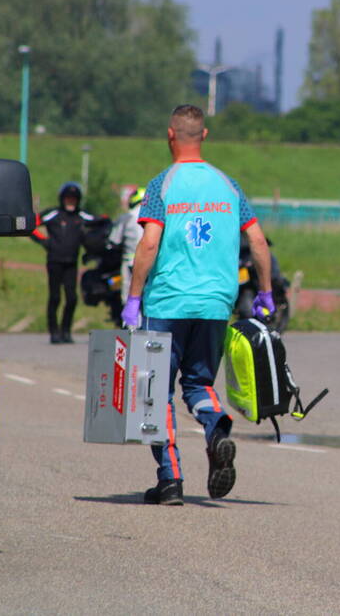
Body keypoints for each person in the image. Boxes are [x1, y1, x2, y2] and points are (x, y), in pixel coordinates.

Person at [122, 104, 274, 506]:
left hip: (168, 303)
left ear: (170, 135)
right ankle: (215, 431)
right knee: (199, 383)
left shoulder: (161, 186)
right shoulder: (229, 186)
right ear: (204, 136)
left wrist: (133, 299)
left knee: (157, 393)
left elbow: (149, 243)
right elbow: (258, 242)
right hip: (214, 305)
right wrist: (265, 293)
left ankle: (170, 480)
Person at [31, 182, 96, 344]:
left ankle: (66, 331)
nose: (70, 202)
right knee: (55, 297)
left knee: (72, 298)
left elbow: (101, 222)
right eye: (68, 198)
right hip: (54, 261)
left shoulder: (82, 216)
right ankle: (54, 332)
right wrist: (44, 241)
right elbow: (31, 225)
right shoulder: (54, 213)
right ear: (62, 199)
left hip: (72, 263)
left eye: (73, 199)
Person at [108, 186, 145, 302]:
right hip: (151, 263)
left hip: (130, 263)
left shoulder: (127, 217)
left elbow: (114, 241)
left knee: (129, 298)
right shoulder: (157, 217)